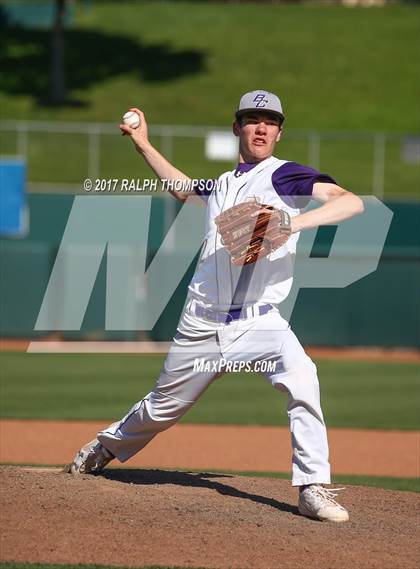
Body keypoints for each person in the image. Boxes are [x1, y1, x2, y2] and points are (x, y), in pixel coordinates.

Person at [65, 90, 364, 523]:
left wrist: (289, 222)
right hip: (201, 322)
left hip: (260, 322)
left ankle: (312, 486)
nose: (261, 128)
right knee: (163, 408)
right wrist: (142, 143)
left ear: (280, 133)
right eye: (251, 119)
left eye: (270, 121)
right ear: (237, 127)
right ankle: (107, 445)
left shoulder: (286, 177)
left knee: (303, 377)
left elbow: (350, 201)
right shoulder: (224, 184)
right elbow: (185, 190)